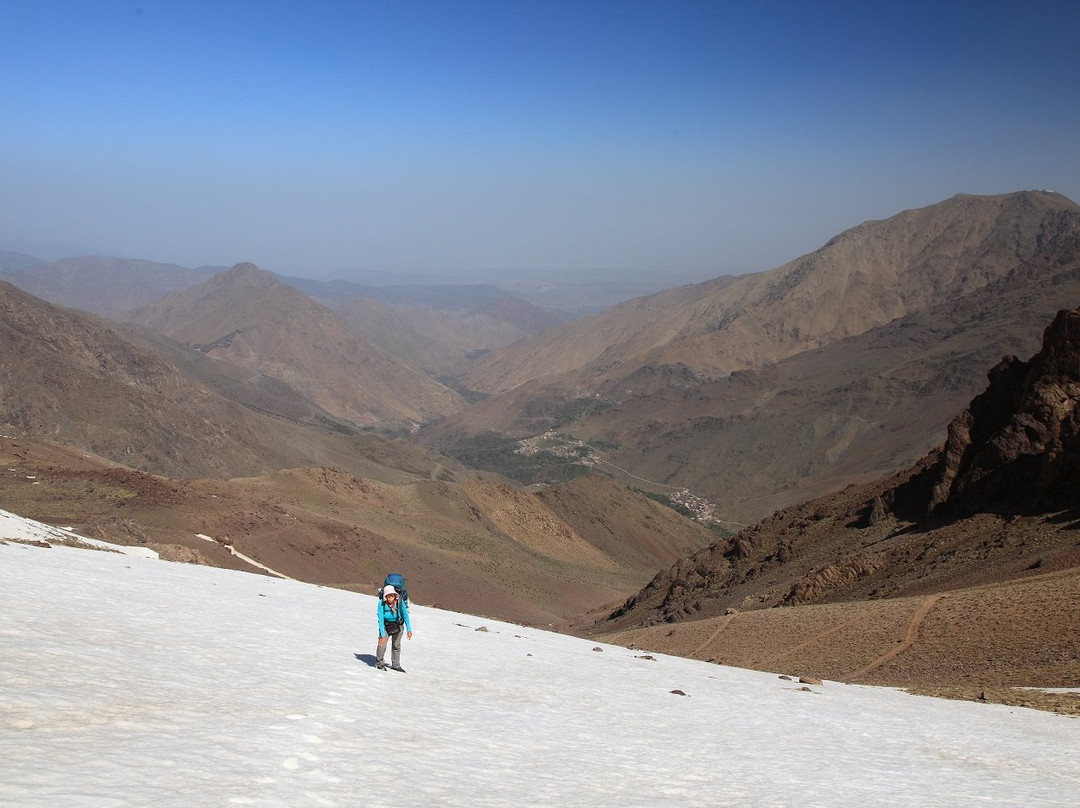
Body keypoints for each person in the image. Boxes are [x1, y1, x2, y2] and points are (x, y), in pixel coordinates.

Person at [376, 585, 412, 671]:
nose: (390, 597)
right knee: (382, 644)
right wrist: (382, 634)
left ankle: (396, 665)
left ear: (395, 595)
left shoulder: (400, 602)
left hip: (398, 625)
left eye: (392, 595)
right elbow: (380, 619)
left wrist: (409, 630)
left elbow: (405, 616)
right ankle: (379, 663)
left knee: (396, 645)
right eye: (388, 595)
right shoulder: (381, 603)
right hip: (386, 625)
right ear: (385, 596)